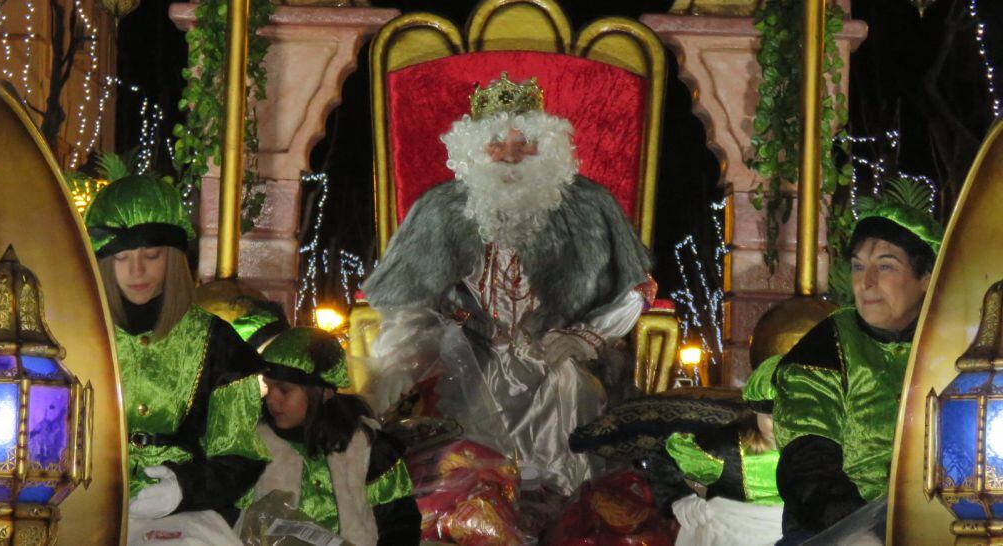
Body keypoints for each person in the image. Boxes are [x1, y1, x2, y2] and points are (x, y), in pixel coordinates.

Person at [361, 73, 657, 494]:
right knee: (457, 393)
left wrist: (587, 338)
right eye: (496, 145)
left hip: (561, 358)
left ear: (548, 149)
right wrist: (398, 361)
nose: (511, 157)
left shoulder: (592, 206)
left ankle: (565, 506)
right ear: (474, 152)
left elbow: (636, 290)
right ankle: (478, 505)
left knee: (568, 382)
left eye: (525, 144)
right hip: (468, 357)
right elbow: (405, 302)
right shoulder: (440, 209)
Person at [85, 175, 271, 545]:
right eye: (121, 257)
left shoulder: (219, 343)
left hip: (188, 514)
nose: (136, 271)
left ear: (173, 258)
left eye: (151, 255)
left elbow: (239, 455)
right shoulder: (79, 335)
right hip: (88, 504)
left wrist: (184, 487)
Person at [771, 203, 943, 544]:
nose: (867, 283)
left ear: (927, 278)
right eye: (858, 267)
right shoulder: (827, 345)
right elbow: (807, 458)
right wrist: (857, 529)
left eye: (885, 266)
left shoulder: (954, 342)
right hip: (837, 528)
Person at [247, 327, 421, 546]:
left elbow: (399, 521)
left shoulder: (366, 447)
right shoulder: (254, 446)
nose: (272, 400)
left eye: (284, 390)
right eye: (268, 388)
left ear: (324, 392)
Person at [667, 356, 783, 546]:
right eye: (772, 418)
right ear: (755, 411)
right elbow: (670, 463)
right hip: (735, 536)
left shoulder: (818, 448)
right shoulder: (726, 446)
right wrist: (680, 497)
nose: (781, 429)